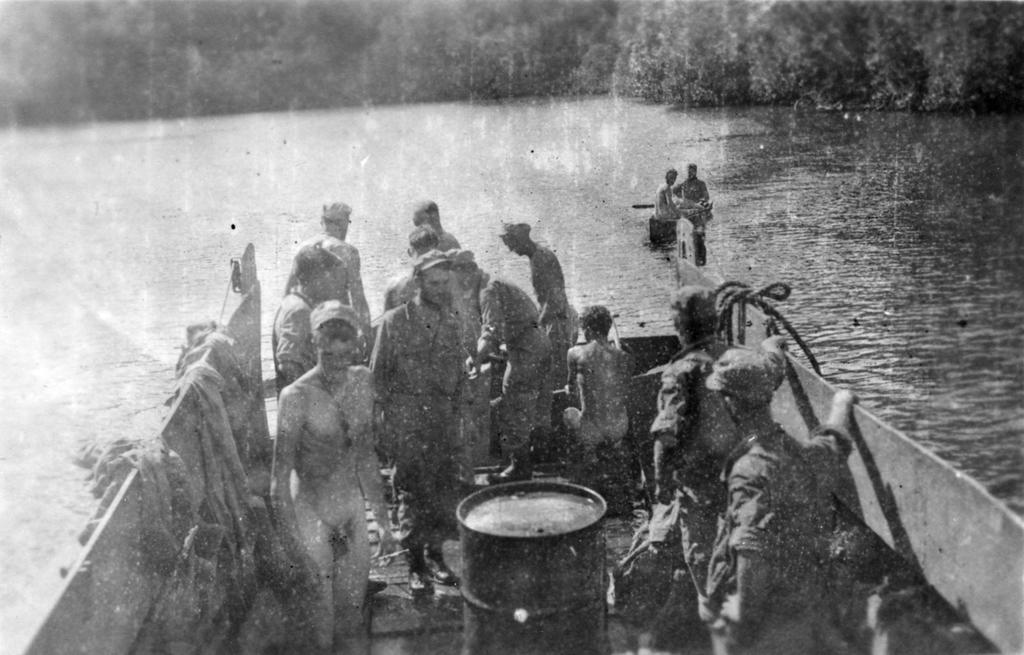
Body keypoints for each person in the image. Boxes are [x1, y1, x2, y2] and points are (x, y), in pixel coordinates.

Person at [699, 339, 855, 655]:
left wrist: (742, 631)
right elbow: (834, 440)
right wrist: (842, 404)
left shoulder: (749, 471)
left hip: (769, 627)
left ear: (731, 404)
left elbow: (751, 561)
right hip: (805, 603)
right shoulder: (799, 452)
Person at [271, 301, 397, 650]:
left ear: (355, 343)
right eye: (328, 347)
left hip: (352, 508)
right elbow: (277, 481)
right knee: (321, 621)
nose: (338, 355)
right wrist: (292, 546)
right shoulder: (294, 397)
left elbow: (367, 457)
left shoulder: (363, 381)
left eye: (345, 344)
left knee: (352, 616)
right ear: (314, 344)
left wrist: (384, 523)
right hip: (312, 513)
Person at [371, 250, 464, 595]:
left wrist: (458, 420)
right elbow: (377, 379)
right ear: (418, 283)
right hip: (406, 423)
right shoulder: (393, 322)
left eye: (445, 282)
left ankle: (437, 558)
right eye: (434, 282)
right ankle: (415, 565)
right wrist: (382, 427)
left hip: (441, 421)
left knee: (442, 489)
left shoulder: (452, 322)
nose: (441, 289)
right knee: (410, 492)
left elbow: (458, 378)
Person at [462, 259, 552, 483]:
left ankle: (519, 468)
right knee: (527, 405)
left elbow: (491, 330)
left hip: (526, 350)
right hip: (536, 343)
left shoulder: (487, 291)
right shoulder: (495, 282)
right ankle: (527, 459)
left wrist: (475, 358)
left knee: (512, 405)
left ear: (467, 274)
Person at [563, 305, 634, 511]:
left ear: (586, 329)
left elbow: (572, 390)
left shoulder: (575, 353)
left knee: (569, 413)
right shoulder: (623, 356)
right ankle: (615, 447)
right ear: (608, 328)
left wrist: (571, 387)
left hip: (591, 432)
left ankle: (590, 454)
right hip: (620, 427)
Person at [500, 223, 578, 389]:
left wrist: (538, 326)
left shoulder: (542, 258)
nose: (511, 250)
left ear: (520, 240)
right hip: (552, 317)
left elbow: (554, 298)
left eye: (512, 245)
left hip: (556, 320)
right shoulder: (536, 256)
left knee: (556, 367)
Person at [285, 202, 372, 347]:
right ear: (341, 224)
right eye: (347, 222)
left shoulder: (303, 248)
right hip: (337, 328)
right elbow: (359, 300)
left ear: (322, 222)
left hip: (306, 325)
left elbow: (288, 294)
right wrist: (368, 338)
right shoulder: (348, 251)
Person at [273, 243, 342, 392]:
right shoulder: (299, 311)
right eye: (328, 276)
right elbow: (287, 363)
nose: (332, 283)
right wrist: (312, 395)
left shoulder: (292, 300)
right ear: (314, 278)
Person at [382, 225, 441, 312]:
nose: (423, 262)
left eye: (427, 256)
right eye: (421, 256)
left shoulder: (394, 287)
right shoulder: (394, 288)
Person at [677, 164, 712, 266]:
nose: (689, 173)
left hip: (698, 210)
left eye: (691, 171)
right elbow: (674, 193)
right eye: (688, 171)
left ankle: (699, 258)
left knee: (699, 234)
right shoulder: (684, 184)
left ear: (695, 172)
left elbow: (706, 197)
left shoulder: (701, 183)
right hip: (688, 210)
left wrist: (703, 201)